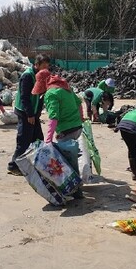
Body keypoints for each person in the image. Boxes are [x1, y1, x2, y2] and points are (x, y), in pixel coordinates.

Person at [32, 69, 84, 198]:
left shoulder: (51, 93)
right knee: (70, 157)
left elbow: (54, 116)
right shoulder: (65, 87)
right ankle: (76, 188)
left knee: (67, 162)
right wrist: (81, 117)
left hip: (67, 130)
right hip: (77, 127)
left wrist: (48, 139)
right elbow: (79, 103)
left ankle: (76, 190)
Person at [7, 54, 51, 175]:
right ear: (36, 65)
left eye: (47, 66)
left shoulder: (41, 76)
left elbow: (41, 95)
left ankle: (35, 163)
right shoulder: (27, 76)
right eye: (43, 66)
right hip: (24, 111)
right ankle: (14, 166)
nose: (45, 69)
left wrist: (37, 114)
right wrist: (30, 114)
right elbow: (24, 97)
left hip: (33, 111)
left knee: (38, 139)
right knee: (24, 139)